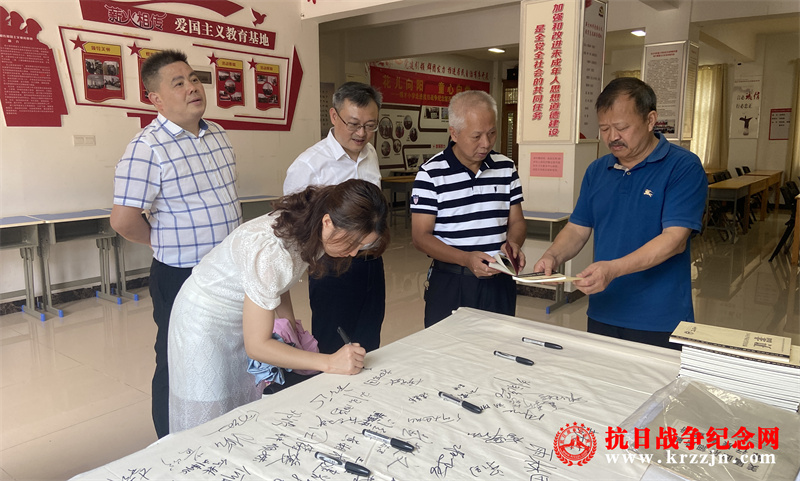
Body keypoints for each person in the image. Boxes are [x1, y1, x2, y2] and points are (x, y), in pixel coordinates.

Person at [168, 179, 390, 433]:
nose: (352, 253)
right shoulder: (271, 250)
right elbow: (257, 345)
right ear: (328, 222)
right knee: (210, 413)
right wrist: (328, 362)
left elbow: (278, 283)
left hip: (245, 314)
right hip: (205, 319)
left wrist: (290, 331)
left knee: (242, 406)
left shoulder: (314, 224)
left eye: (361, 246)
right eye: (351, 243)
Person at [109, 50, 240, 438]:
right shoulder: (147, 148)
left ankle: (222, 426)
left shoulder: (217, 135)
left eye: (194, 79)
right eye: (178, 83)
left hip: (228, 270)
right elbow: (123, 220)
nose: (192, 87)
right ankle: (171, 444)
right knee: (177, 358)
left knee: (227, 351)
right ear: (156, 98)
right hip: (182, 274)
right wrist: (162, 240)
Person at [533, 77, 707, 349]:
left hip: (659, 317)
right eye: (604, 128)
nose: (612, 136)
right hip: (604, 309)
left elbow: (674, 239)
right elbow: (578, 228)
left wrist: (613, 269)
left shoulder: (682, 167)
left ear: (650, 120)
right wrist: (552, 256)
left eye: (622, 127)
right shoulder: (597, 170)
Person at [283, 82, 386, 354]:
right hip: (332, 267)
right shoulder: (308, 166)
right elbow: (294, 227)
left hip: (371, 263)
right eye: (353, 124)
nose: (362, 133)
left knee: (370, 342)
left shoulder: (371, 154)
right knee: (333, 345)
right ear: (333, 116)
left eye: (370, 125)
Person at [410, 90, 526, 328]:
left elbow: (516, 221)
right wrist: (465, 259)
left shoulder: (506, 168)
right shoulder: (431, 174)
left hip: (499, 279)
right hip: (452, 281)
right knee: (448, 347)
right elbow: (420, 237)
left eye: (491, 133)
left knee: (498, 345)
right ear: (454, 133)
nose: (486, 143)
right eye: (476, 136)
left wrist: (513, 244)